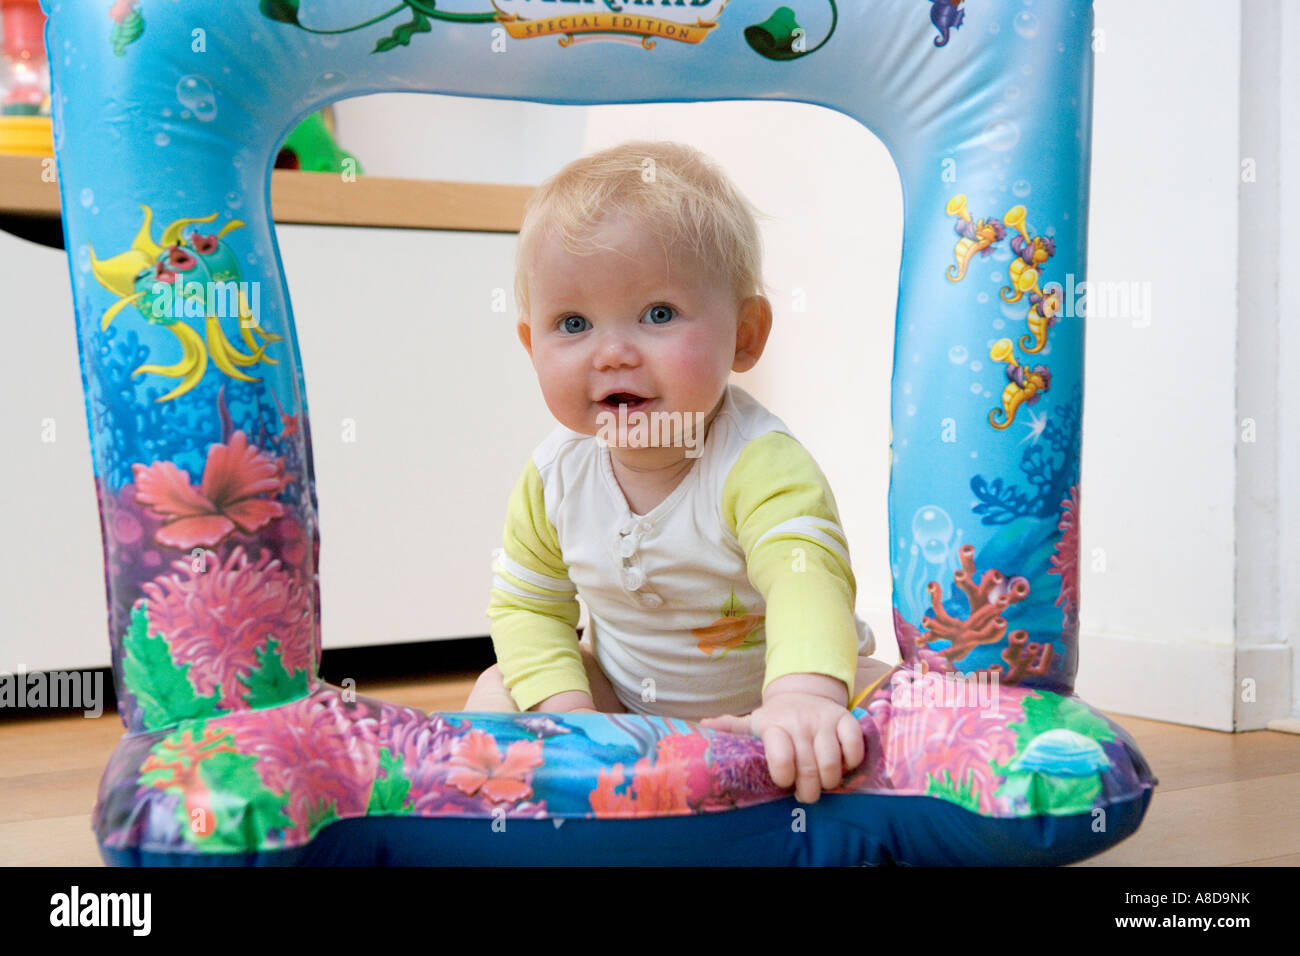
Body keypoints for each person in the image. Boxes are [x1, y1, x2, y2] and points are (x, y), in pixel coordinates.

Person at [464, 140, 890, 803]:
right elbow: (528, 606)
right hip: (627, 715)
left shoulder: (757, 461)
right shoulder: (554, 476)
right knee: (496, 693)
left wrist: (802, 695)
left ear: (745, 335)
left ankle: (816, 762)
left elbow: (804, 575)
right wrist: (570, 714)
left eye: (657, 314)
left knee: (886, 707)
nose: (612, 353)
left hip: (771, 705)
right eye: (572, 323)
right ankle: (531, 817)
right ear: (531, 345)